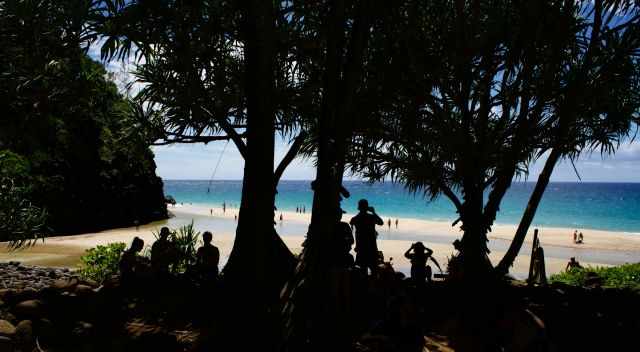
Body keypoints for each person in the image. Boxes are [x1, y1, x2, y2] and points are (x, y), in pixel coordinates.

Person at [350, 199, 384, 276]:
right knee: (374, 272)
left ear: (359, 207)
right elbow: (381, 222)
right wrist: (374, 212)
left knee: (362, 272)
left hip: (361, 248)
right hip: (372, 248)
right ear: (367, 207)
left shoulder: (354, 219)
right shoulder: (371, 217)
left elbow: (353, 229)